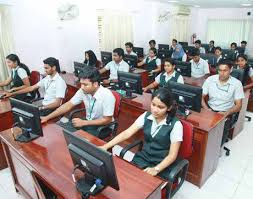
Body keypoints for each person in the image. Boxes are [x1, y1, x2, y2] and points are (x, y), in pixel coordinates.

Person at [100, 87, 183, 186]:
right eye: (153, 104)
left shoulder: (176, 125)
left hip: (162, 163)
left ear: (169, 108)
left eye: (160, 107)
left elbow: (172, 155)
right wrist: (106, 146)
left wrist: (156, 169)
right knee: (126, 181)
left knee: (148, 189)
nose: (155, 110)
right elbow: (127, 133)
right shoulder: (146, 116)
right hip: (144, 158)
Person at [41, 67, 115, 137]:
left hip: (103, 127)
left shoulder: (107, 95)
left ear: (95, 84)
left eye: (85, 84)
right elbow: (68, 105)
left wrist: (84, 123)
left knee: (77, 141)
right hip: (88, 122)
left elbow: (107, 120)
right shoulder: (83, 91)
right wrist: (47, 117)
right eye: (81, 84)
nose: (81, 87)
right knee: (61, 131)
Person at [202, 59, 244, 146]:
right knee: (201, 132)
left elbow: (239, 105)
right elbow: (200, 97)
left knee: (216, 141)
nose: (222, 73)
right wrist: (206, 109)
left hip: (225, 113)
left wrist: (225, 113)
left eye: (225, 70)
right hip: (209, 110)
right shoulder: (210, 79)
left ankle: (215, 150)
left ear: (231, 70)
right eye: (220, 70)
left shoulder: (236, 84)